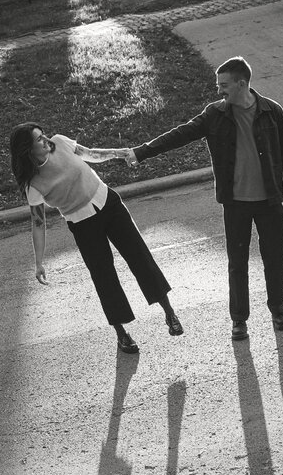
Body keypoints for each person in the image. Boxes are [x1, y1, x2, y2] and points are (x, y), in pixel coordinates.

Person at [126, 56, 283, 341]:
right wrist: (141, 152)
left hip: (269, 202)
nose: (219, 90)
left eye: (224, 85)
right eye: (218, 85)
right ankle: (239, 320)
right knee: (237, 263)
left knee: (275, 260)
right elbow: (179, 135)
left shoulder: (272, 110)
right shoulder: (214, 114)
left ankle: (278, 311)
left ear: (242, 84)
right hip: (235, 203)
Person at [10, 123, 183, 354]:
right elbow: (38, 224)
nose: (46, 140)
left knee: (140, 257)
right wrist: (39, 262)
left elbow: (90, 153)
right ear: (28, 150)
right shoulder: (33, 184)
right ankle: (122, 334)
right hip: (83, 225)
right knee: (104, 277)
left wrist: (120, 153)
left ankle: (169, 313)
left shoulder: (60, 142)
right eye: (39, 139)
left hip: (109, 204)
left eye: (44, 135)